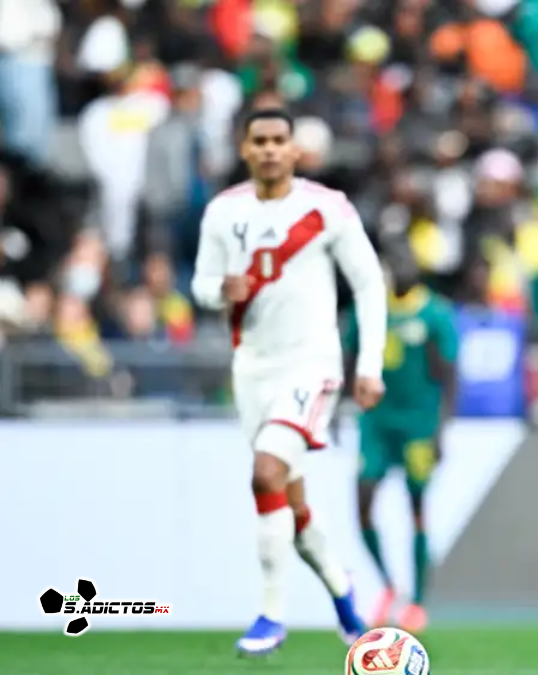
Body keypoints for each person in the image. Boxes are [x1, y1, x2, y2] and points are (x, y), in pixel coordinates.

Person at [191, 108, 386, 656]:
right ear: (245, 148)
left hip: (312, 363)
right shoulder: (223, 212)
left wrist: (367, 365)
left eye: (281, 140)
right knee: (289, 502)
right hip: (251, 367)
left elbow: (369, 284)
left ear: (295, 150)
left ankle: (270, 615)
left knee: (266, 471)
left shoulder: (326, 208)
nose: (272, 149)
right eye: (261, 141)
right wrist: (217, 292)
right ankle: (345, 597)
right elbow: (201, 283)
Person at [344, 241, 459, 634]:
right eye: (395, 263)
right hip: (375, 423)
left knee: (416, 508)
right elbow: (347, 354)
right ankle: (391, 587)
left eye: (406, 262)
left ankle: (418, 603)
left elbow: (448, 374)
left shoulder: (434, 313)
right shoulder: (371, 310)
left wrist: (442, 430)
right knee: (362, 502)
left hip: (418, 427)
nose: (400, 270)